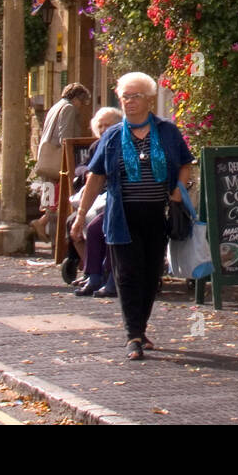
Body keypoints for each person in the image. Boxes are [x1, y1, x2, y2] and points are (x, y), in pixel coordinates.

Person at [70, 73, 193, 359]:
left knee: (151, 275)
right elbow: (95, 178)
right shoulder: (112, 136)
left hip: (155, 214)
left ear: (149, 98)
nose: (130, 102)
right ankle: (133, 335)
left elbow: (186, 165)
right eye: (125, 96)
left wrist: (177, 193)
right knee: (126, 275)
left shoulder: (166, 132)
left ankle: (141, 327)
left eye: (136, 96)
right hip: (120, 216)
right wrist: (80, 216)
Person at [71, 105, 121, 297]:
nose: (103, 130)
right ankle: (93, 275)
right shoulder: (96, 146)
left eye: (108, 125)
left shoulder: (122, 143)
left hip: (119, 199)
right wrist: (88, 173)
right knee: (87, 225)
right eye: (100, 125)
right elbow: (84, 169)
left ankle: (110, 276)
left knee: (106, 227)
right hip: (100, 198)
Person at [31, 83, 91, 242]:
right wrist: (72, 155)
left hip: (46, 156)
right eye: (82, 102)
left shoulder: (55, 106)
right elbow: (66, 136)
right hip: (58, 158)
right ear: (77, 98)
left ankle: (43, 223)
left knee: (50, 192)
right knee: (60, 193)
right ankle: (47, 227)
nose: (81, 107)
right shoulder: (69, 108)